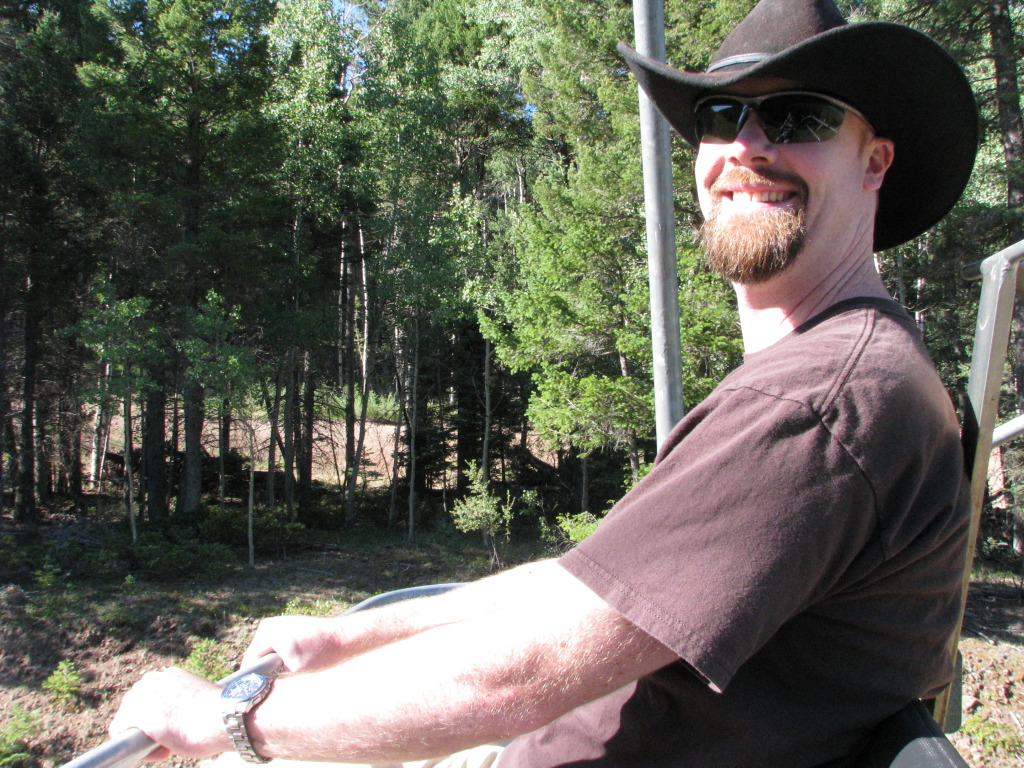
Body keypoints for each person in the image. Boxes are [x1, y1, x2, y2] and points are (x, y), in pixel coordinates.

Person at [109, 0, 980, 766]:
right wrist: (346, 638)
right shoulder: (844, 370)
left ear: (874, 162)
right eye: (722, 115)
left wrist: (226, 718)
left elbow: (518, 678)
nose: (747, 146)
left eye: (797, 117)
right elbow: (585, 590)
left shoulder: (818, 405)